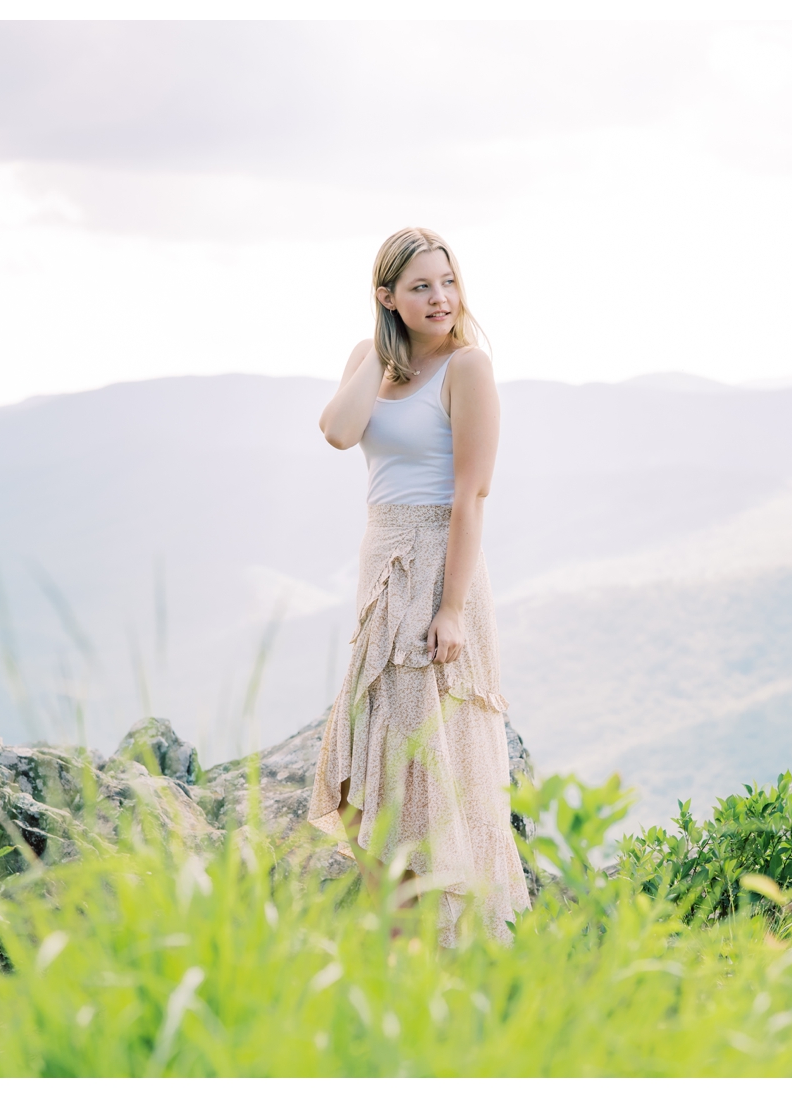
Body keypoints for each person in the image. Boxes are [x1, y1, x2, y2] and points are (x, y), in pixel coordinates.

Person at [308, 227, 531, 945]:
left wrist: (454, 609)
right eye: (421, 287)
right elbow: (340, 434)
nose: (441, 298)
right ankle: (399, 935)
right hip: (381, 568)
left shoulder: (468, 368)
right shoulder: (369, 360)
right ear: (387, 299)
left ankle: (452, 940)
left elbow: (472, 495)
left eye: (448, 282)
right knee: (371, 758)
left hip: (439, 563)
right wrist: (379, 349)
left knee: (436, 764)